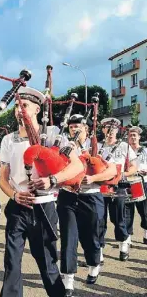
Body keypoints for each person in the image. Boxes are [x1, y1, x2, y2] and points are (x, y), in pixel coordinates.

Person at [0, 87, 84, 297]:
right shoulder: (8, 140)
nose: (20, 110)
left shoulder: (53, 135)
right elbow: (2, 178)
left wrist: (52, 180)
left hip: (44, 207)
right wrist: (13, 194)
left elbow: (76, 166)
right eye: (17, 106)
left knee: (47, 263)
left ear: (37, 109)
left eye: (25, 106)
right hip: (17, 206)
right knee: (11, 264)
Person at [57, 114, 117, 296]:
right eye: (72, 127)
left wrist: (92, 178)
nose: (74, 130)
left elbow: (112, 171)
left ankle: (93, 265)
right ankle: (68, 279)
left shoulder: (99, 147)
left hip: (91, 197)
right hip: (68, 196)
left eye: (79, 127)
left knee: (91, 237)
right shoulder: (63, 146)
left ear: (88, 130)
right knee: (69, 237)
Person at [98, 118, 138, 262]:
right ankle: (99, 251)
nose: (110, 131)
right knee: (99, 219)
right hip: (100, 185)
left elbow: (134, 167)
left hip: (119, 185)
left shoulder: (124, 146)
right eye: (107, 128)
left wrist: (122, 174)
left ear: (117, 130)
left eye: (113, 128)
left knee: (118, 218)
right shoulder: (96, 146)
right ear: (103, 129)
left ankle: (123, 244)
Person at [124, 126, 147, 245]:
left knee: (144, 210)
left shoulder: (145, 150)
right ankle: (127, 236)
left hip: (143, 182)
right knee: (127, 210)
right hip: (128, 182)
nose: (132, 137)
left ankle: (146, 232)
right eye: (130, 135)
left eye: (135, 135)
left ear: (139, 137)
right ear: (127, 138)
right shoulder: (124, 150)